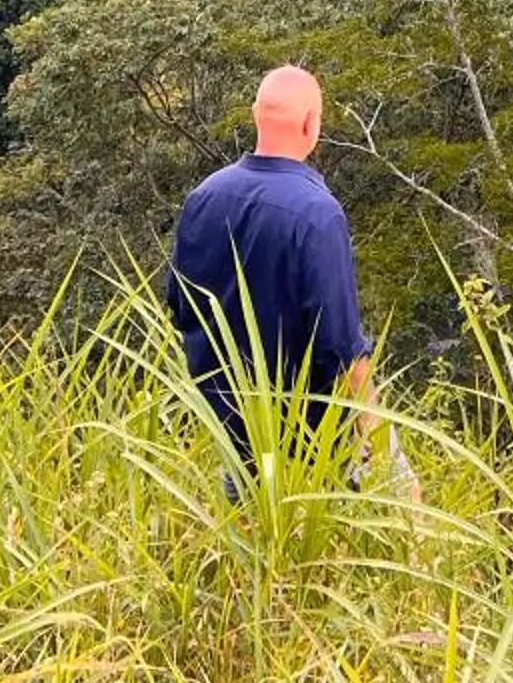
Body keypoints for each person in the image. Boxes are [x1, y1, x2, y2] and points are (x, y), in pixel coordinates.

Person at [168, 65, 401, 488]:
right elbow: (342, 348)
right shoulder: (317, 214)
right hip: (313, 452)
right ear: (312, 124)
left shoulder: (204, 198)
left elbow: (183, 309)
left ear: (256, 114)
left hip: (236, 437)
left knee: (249, 547)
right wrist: (384, 449)